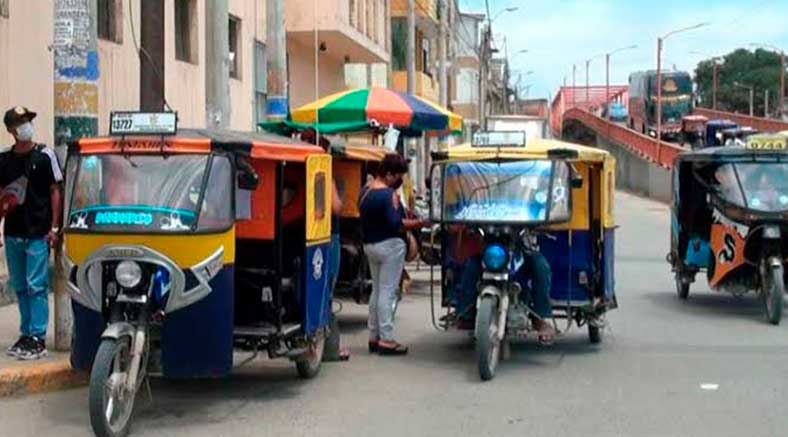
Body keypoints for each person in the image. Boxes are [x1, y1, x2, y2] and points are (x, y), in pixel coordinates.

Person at [1, 106, 63, 360]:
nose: (26, 126)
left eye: (28, 121)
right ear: (11, 130)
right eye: (21, 123)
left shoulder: (45, 155)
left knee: (36, 285)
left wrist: (54, 228)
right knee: (20, 286)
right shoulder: (4, 160)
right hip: (13, 232)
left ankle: (38, 336)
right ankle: (26, 333)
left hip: (38, 233)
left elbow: (55, 191)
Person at [359, 154, 428, 355]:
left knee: (377, 291)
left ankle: (373, 336)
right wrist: (421, 223)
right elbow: (396, 224)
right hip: (390, 246)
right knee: (388, 292)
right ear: (389, 174)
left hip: (370, 245)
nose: (400, 180)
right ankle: (386, 339)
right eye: (398, 176)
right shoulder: (389, 195)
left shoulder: (365, 191)